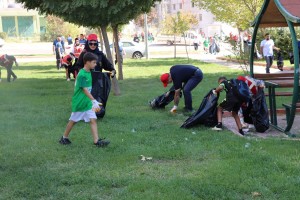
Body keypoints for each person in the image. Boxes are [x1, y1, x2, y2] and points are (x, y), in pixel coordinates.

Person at [59, 52, 110, 147]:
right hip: (80, 103)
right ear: (87, 62)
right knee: (73, 121)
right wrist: (94, 100)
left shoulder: (88, 72)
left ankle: (96, 141)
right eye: (94, 62)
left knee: (93, 119)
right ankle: (64, 137)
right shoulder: (82, 74)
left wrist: (91, 101)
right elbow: (84, 89)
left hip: (87, 103)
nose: (96, 64)